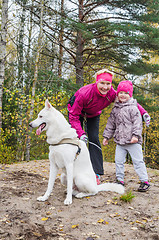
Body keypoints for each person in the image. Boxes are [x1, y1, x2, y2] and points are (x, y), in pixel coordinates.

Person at [68, 69, 150, 185]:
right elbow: (73, 115)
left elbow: (129, 102)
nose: (105, 87)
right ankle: (74, 171)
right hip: (76, 114)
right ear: (96, 82)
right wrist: (81, 133)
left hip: (93, 114)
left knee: (94, 139)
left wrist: (143, 113)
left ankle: (96, 173)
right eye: (102, 83)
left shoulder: (112, 94)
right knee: (77, 141)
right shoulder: (84, 93)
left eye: (108, 84)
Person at [103, 80, 150, 192]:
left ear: (130, 95)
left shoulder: (133, 108)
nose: (123, 95)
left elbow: (138, 123)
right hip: (120, 141)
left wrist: (135, 136)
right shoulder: (115, 109)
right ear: (117, 94)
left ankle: (144, 181)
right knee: (118, 161)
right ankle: (120, 180)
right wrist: (106, 137)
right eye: (121, 93)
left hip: (133, 141)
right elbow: (111, 124)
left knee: (138, 161)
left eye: (126, 93)